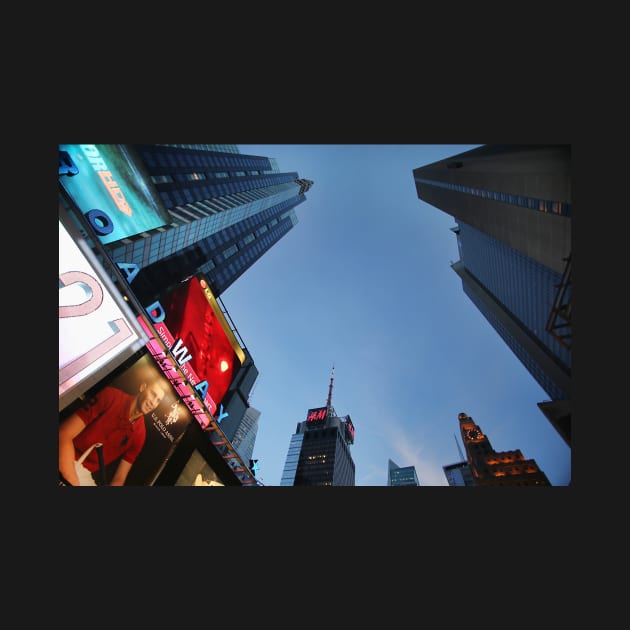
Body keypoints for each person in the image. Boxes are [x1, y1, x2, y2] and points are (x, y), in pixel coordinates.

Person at [59, 377, 167, 486]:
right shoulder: (110, 395)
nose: (153, 403)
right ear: (143, 387)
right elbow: (63, 433)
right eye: (153, 394)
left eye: (158, 400)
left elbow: (119, 479)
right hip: (63, 454)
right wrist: (71, 481)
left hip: (83, 474)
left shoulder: (140, 435)